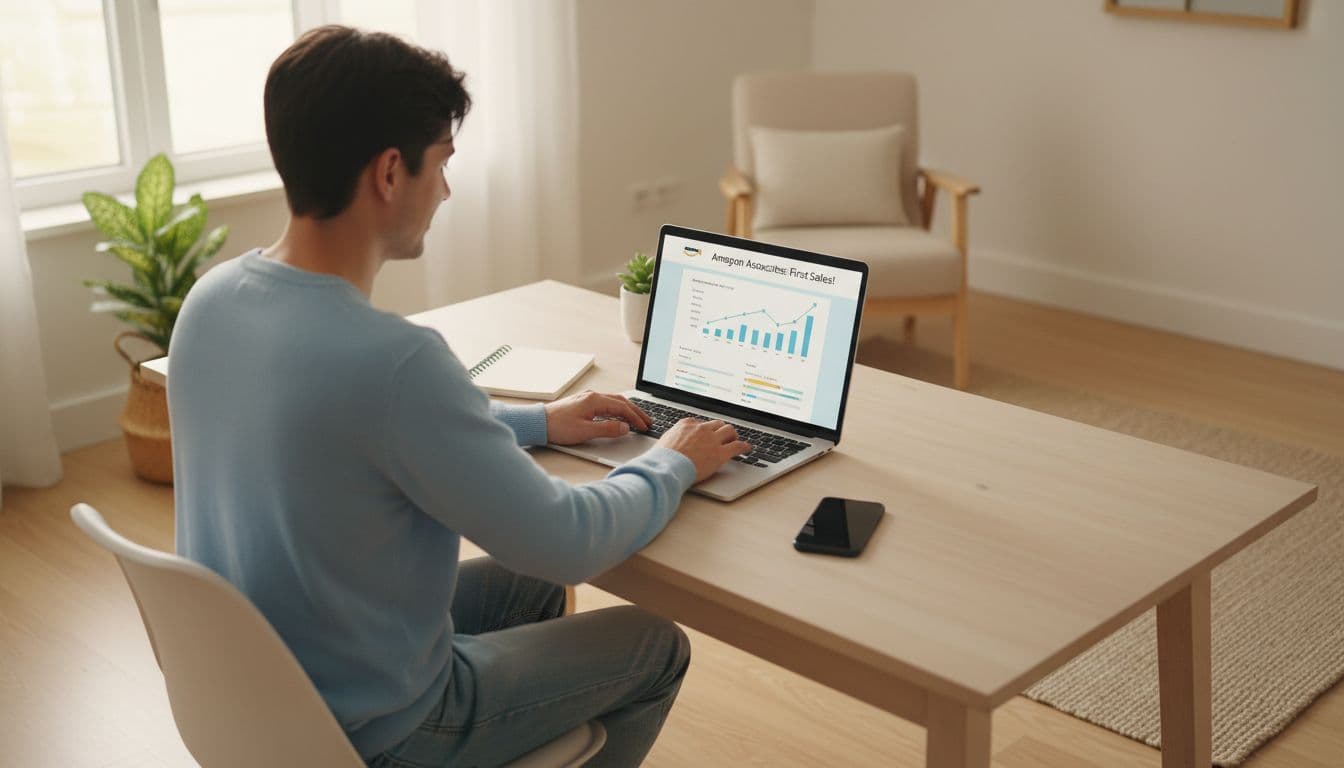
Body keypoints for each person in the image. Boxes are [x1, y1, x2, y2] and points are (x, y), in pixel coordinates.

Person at [168, 25, 750, 767]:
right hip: (378, 729)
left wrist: (538, 423)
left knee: (528, 589)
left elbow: (351, 436)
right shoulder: (395, 362)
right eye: (440, 162)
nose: (444, 189)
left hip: (265, 692)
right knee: (652, 644)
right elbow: (567, 541)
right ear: (388, 172)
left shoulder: (211, 303)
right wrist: (673, 461)